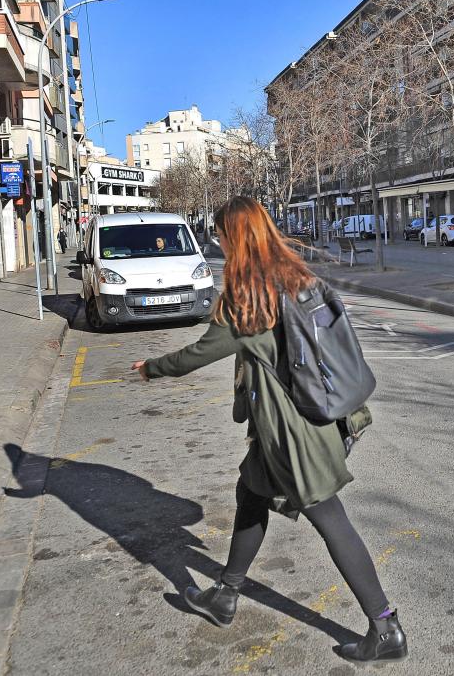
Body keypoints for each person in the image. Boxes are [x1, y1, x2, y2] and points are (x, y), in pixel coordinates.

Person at [131, 196, 407, 663]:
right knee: (252, 494)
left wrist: (151, 367)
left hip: (293, 434)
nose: (216, 240)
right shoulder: (295, 277)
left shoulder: (247, 297)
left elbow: (199, 353)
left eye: (220, 234)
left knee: (330, 520)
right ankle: (225, 594)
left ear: (234, 238)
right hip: (290, 424)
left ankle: (385, 627)